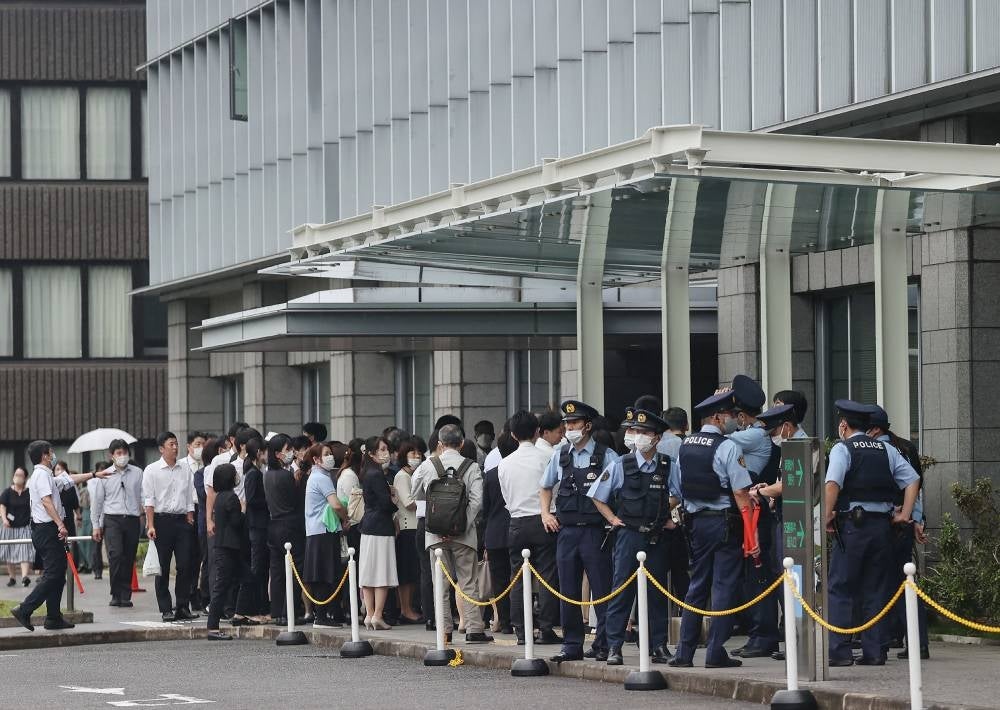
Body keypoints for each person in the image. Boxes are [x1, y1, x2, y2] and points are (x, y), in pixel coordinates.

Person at [824, 400, 920, 666]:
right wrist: (905, 514)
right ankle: (875, 651)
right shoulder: (885, 449)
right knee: (875, 588)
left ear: (844, 425)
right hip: (882, 526)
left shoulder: (843, 449)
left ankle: (839, 652)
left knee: (840, 587)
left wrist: (827, 515)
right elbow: (912, 479)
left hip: (853, 526)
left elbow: (832, 483)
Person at [668, 390, 756, 669]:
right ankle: (715, 652)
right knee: (724, 588)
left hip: (696, 524)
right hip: (725, 523)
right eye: (730, 415)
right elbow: (741, 492)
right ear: (717, 417)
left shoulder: (686, 445)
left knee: (697, 586)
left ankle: (684, 653)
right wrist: (750, 532)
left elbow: (680, 488)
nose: (733, 420)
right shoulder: (727, 446)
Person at [588, 407, 674, 666]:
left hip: (656, 536)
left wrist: (664, 513)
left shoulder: (669, 465)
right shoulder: (620, 465)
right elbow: (596, 495)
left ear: (657, 438)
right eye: (635, 431)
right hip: (628, 535)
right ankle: (614, 646)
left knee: (656, 592)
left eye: (644, 432)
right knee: (621, 591)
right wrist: (612, 519)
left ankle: (657, 645)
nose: (638, 436)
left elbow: (679, 493)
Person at [540, 400, 619, 662]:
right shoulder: (561, 455)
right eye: (566, 423)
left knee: (602, 589)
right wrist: (545, 513)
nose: (569, 427)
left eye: (574, 423)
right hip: (567, 530)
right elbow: (545, 486)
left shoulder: (606, 455)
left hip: (596, 530)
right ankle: (572, 644)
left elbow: (620, 488)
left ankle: (604, 643)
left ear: (587, 425)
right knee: (569, 590)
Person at [10, 441, 106, 632]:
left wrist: (95, 474)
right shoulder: (41, 475)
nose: (53, 455)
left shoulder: (45, 475)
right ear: (45, 456)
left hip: (46, 529)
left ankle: (53, 617)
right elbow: (46, 502)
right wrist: (60, 524)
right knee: (54, 574)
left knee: (57, 575)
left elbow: (69, 479)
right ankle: (25, 609)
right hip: (47, 529)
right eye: (51, 452)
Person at [412, 424, 492, 643]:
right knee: (468, 581)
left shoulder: (429, 465)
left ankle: (445, 631)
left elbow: (415, 493)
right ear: (462, 443)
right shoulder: (472, 467)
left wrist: (442, 526)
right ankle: (475, 629)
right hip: (464, 535)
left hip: (435, 535)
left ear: (439, 444)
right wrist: (460, 526)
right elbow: (477, 501)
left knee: (441, 584)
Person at [862, 404, 929, 660]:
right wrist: (917, 519)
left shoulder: (882, 450)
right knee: (905, 584)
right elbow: (916, 487)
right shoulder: (906, 447)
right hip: (906, 522)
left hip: (890, 523)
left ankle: (886, 641)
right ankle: (917, 642)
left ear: (876, 429)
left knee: (887, 585)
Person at [726, 376, 782, 658]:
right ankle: (758, 634)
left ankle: (764, 636)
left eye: (732, 415)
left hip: (755, 515)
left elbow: (719, 440)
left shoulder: (755, 435)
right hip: (748, 512)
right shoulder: (756, 434)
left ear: (742, 415)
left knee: (759, 575)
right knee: (751, 576)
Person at [498, 410, 561, 646]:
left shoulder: (504, 464)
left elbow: (506, 496)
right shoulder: (547, 458)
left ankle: (521, 631)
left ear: (513, 434)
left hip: (516, 521)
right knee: (547, 576)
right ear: (537, 432)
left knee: (517, 577)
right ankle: (545, 628)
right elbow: (553, 490)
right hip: (545, 519)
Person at [142, 432, 199, 622]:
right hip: (161, 521)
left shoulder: (185, 468)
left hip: (182, 521)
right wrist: (150, 524)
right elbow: (148, 500)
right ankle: (166, 608)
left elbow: (190, 493)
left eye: (176, 444)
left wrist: (190, 515)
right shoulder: (151, 470)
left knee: (185, 565)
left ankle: (182, 606)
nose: (175, 447)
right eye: (171, 444)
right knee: (163, 567)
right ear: (161, 448)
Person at [90, 439, 144, 608]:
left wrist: (148, 518)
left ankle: (126, 595)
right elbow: (97, 503)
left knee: (128, 557)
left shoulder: (137, 472)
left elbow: (144, 495)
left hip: (133, 519)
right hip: (112, 519)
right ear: (111, 456)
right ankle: (115, 593)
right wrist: (96, 525)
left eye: (125, 453)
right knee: (116, 555)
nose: (122, 456)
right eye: (118, 453)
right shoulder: (104, 475)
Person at [303, 442, 349, 628]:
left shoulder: (316, 476)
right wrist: (346, 518)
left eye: (331, 453)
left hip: (316, 530)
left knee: (322, 573)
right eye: (326, 454)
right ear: (316, 459)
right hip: (323, 530)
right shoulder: (321, 478)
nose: (330, 457)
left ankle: (325, 614)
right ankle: (321, 616)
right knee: (324, 573)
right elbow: (336, 504)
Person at [357, 436, 398, 629]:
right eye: (381, 449)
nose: (386, 452)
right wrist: (394, 502)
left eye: (386, 449)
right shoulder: (377, 474)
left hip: (368, 526)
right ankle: (378, 615)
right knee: (382, 571)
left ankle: (370, 614)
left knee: (368, 571)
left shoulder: (366, 472)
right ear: (372, 453)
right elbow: (384, 504)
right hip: (381, 526)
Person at [264, 434, 305, 624]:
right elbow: (296, 501)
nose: (292, 453)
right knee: (295, 570)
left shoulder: (267, 474)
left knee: (278, 572)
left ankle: (277, 612)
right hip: (290, 524)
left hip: (273, 525)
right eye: (288, 449)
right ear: (278, 454)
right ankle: (290, 612)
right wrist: (298, 483)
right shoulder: (285, 475)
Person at [481, 431, 517, 634]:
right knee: (518, 577)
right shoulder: (519, 470)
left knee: (499, 580)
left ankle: (504, 621)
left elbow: (485, 508)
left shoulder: (491, 474)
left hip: (494, 531)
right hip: (516, 528)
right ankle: (521, 619)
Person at [206, 463, 244, 640]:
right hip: (229, 547)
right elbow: (237, 522)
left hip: (223, 546)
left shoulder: (220, 496)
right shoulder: (231, 498)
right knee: (221, 587)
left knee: (246, 578)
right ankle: (212, 628)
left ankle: (244, 612)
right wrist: (243, 511)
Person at [393, 440, 423, 623]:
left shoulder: (413, 474)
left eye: (418, 454)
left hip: (415, 526)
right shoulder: (402, 476)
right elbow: (409, 503)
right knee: (407, 572)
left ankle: (408, 607)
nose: (416, 457)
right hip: (407, 527)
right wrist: (428, 503)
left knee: (413, 572)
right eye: (412, 454)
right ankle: (405, 609)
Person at [193, 437, 222, 614]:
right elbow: (204, 495)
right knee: (209, 561)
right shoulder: (201, 474)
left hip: (218, 522)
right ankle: (206, 597)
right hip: (207, 522)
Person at [243, 437, 270, 617]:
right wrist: (268, 501)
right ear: (259, 453)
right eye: (265, 452)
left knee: (260, 567)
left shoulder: (255, 471)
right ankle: (256, 606)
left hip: (258, 525)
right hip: (257, 525)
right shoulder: (254, 474)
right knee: (258, 568)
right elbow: (252, 499)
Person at [0, 467, 33, 587]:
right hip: (9, 527)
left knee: (25, 551)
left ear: (25, 478)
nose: (18, 477)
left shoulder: (29, 492)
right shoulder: (7, 492)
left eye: (20, 475)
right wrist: (4, 519)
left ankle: (25, 577)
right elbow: (2, 507)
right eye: (16, 474)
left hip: (24, 526)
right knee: (9, 552)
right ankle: (12, 577)